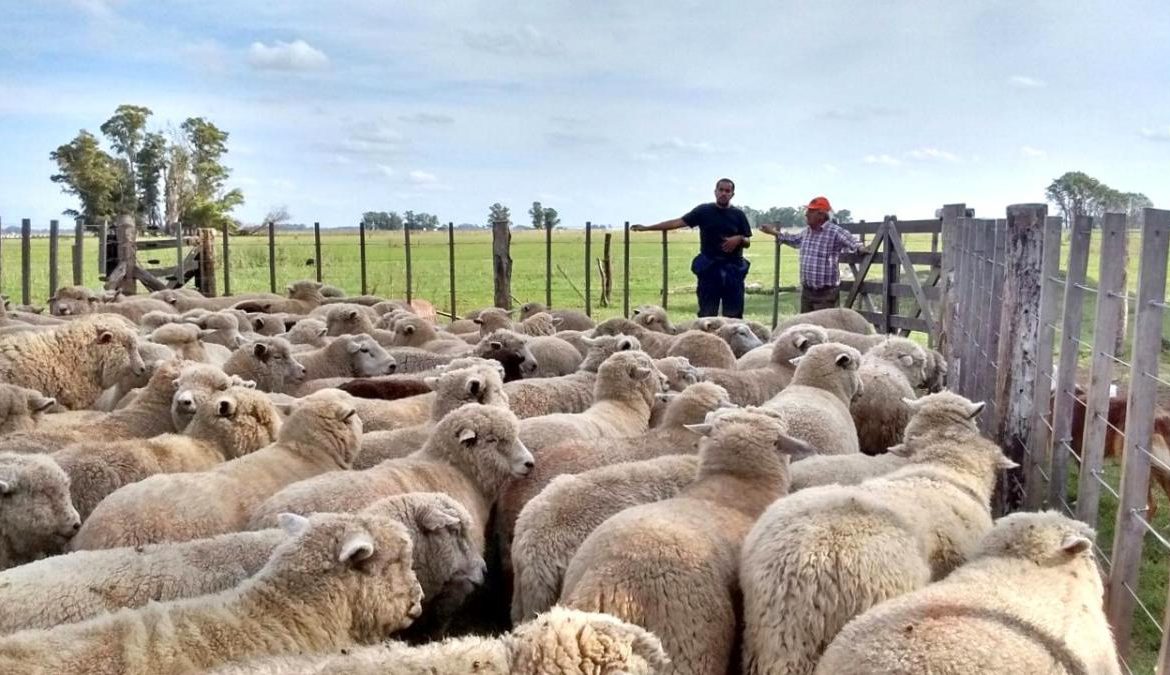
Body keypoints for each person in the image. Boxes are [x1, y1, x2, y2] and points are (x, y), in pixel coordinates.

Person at [631, 178, 752, 318]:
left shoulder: (738, 215)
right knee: (707, 315)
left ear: (732, 194)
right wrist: (647, 228)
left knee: (734, 316)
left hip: (733, 270)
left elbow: (747, 241)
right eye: (721, 190)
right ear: (715, 192)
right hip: (709, 268)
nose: (723, 193)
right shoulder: (703, 211)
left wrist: (739, 239)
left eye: (727, 191)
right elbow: (677, 222)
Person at [760, 196, 866, 313]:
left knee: (824, 327)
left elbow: (852, 240)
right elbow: (793, 239)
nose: (806, 214)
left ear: (821, 215)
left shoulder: (834, 231)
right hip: (807, 292)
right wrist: (773, 232)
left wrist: (860, 248)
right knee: (807, 328)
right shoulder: (807, 232)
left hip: (826, 294)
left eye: (811, 211)